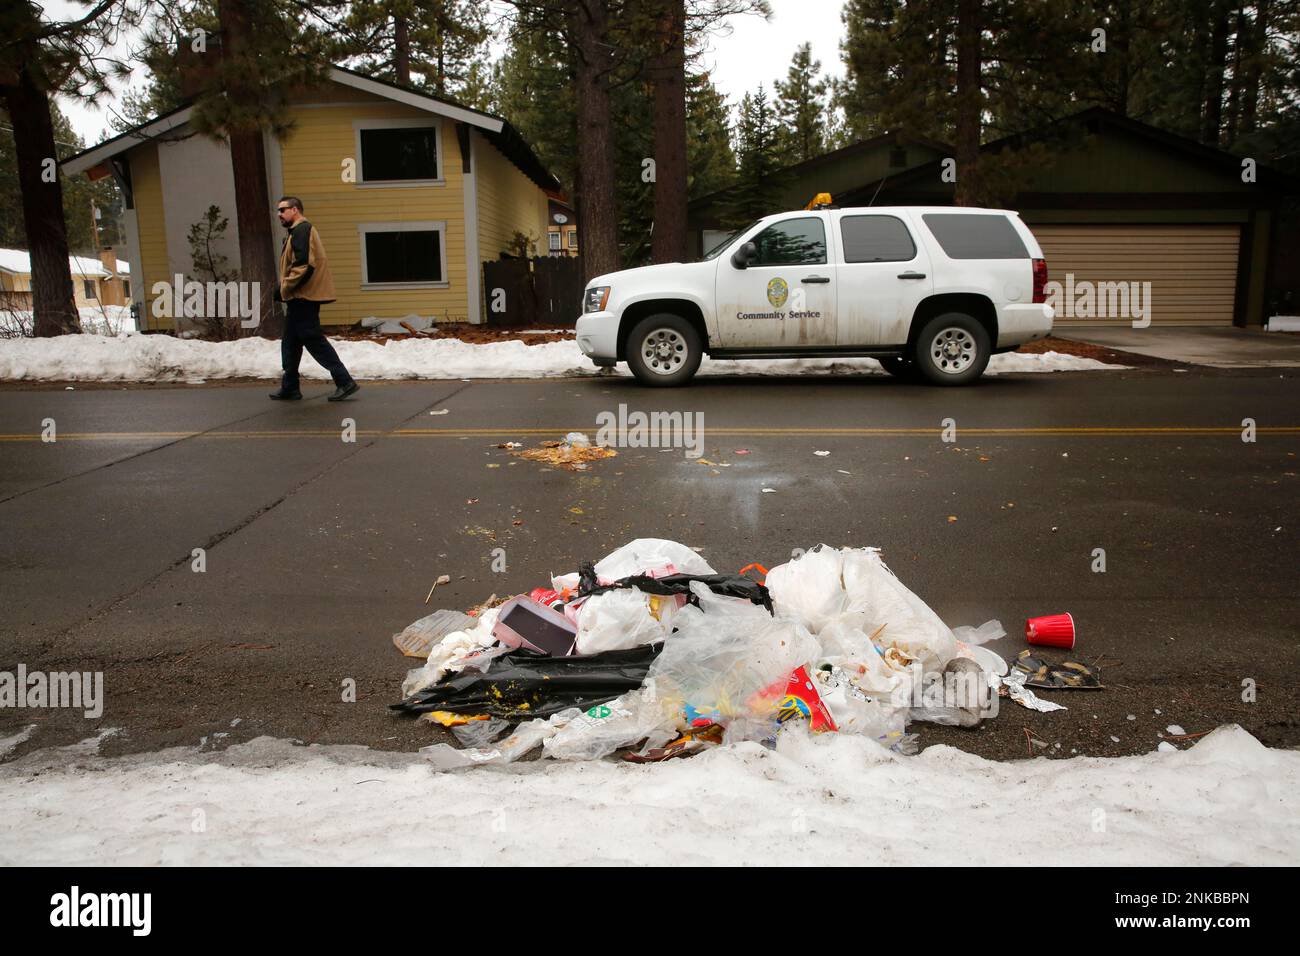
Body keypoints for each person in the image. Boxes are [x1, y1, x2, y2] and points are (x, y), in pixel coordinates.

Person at [269, 196, 359, 401]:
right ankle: (290, 386)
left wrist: (284, 288)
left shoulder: (302, 230)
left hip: (304, 297)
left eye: (283, 210)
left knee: (313, 340)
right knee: (290, 342)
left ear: (295, 210)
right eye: (278, 211)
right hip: (299, 296)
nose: (279, 214)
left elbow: (304, 266)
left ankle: (344, 381)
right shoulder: (295, 232)